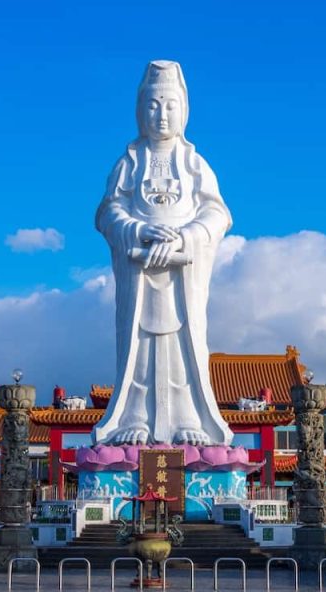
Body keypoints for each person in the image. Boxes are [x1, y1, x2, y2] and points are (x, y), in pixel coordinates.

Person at [92, 60, 234, 447]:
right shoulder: (128, 164)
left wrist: (185, 238)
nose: (161, 114)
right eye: (153, 105)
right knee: (138, 344)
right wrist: (137, 230)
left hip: (181, 273)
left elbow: (218, 214)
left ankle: (188, 416)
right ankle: (134, 417)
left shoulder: (194, 164)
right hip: (139, 269)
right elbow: (107, 212)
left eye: (170, 105)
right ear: (140, 110)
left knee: (185, 342)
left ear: (184, 110)